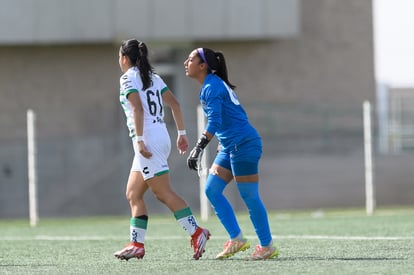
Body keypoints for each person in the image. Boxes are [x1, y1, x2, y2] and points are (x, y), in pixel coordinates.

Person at [114, 39, 210, 261]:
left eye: (119, 57)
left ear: (125, 58)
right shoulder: (154, 78)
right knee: (133, 193)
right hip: (160, 136)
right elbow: (174, 104)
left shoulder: (128, 77)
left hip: (147, 140)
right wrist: (182, 134)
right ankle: (136, 244)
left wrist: (139, 140)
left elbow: (137, 108)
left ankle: (197, 232)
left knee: (162, 192)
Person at [183, 47, 279, 260]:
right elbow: (223, 120)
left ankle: (267, 245)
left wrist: (198, 147)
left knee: (249, 196)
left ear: (203, 66)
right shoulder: (210, 85)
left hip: (244, 144)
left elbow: (215, 122)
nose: (185, 62)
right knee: (212, 190)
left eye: (190, 59)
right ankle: (237, 238)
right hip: (229, 146)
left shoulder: (212, 86)